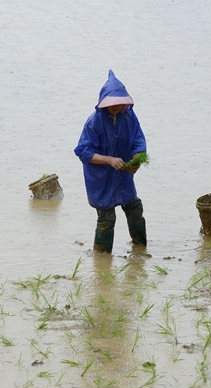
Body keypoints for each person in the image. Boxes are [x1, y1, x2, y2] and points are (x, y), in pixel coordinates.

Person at [74, 70, 147, 254]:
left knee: (134, 208)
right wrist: (109, 160)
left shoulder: (129, 117)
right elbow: (83, 151)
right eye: (111, 103)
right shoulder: (94, 122)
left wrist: (137, 159)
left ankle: (140, 249)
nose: (115, 106)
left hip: (123, 174)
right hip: (101, 177)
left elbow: (138, 141)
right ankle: (102, 258)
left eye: (119, 102)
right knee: (106, 217)